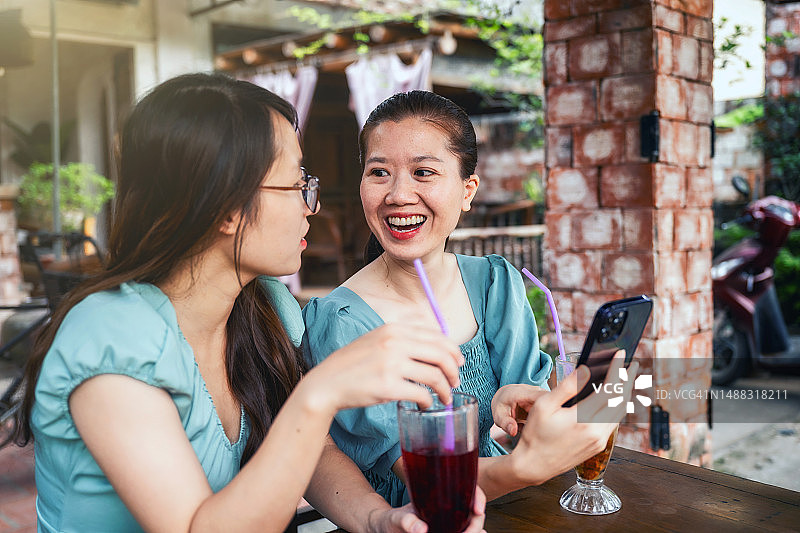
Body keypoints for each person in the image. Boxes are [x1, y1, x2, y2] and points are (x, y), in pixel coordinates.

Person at [10, 74, 488, 533]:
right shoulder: (111, 336)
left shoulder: (266, 308)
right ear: (226, 207)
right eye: (294, 183)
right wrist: (320, 392)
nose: (310, 204)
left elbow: (313, 453)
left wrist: (377, 520)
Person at [303, 90, 637, 505]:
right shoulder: (340, 320)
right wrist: (521, 468)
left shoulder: (494, 283)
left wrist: (517, 407)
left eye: (423, 172)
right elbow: (416, 473)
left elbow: (526, 413)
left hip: (507, 505)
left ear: (467, 190)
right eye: (379, 173)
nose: (398, 195)